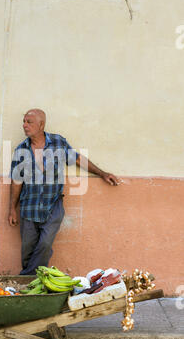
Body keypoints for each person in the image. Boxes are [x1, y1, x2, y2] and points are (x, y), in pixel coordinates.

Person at [8, 109, 119, 275]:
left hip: (53, 205)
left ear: (41, 124)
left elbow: (78, 159)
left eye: (29, 122)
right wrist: (12, 209)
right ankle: (34, 280)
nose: (24, 125)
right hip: (28, 207)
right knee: (27, 248)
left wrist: (102, 173)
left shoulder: (57, 143)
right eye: (23, 121)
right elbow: (16, 182)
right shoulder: (21, 150)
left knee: (45, 244)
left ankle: (28, 280)